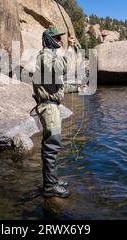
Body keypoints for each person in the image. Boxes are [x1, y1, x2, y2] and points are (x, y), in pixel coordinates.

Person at [32, 27, 86, 198]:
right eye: (56, 38)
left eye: (60, 38)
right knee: (51, 146)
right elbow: (61, 69)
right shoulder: (45, 56)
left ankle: (52, 181)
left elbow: (58, 85)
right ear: (48, 40)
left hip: (52, 106)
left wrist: (77, 88)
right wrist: (69, 50)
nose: (59, 41)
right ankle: (50, 187)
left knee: (52, 146)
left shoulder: (50, 57)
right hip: (48, 108)